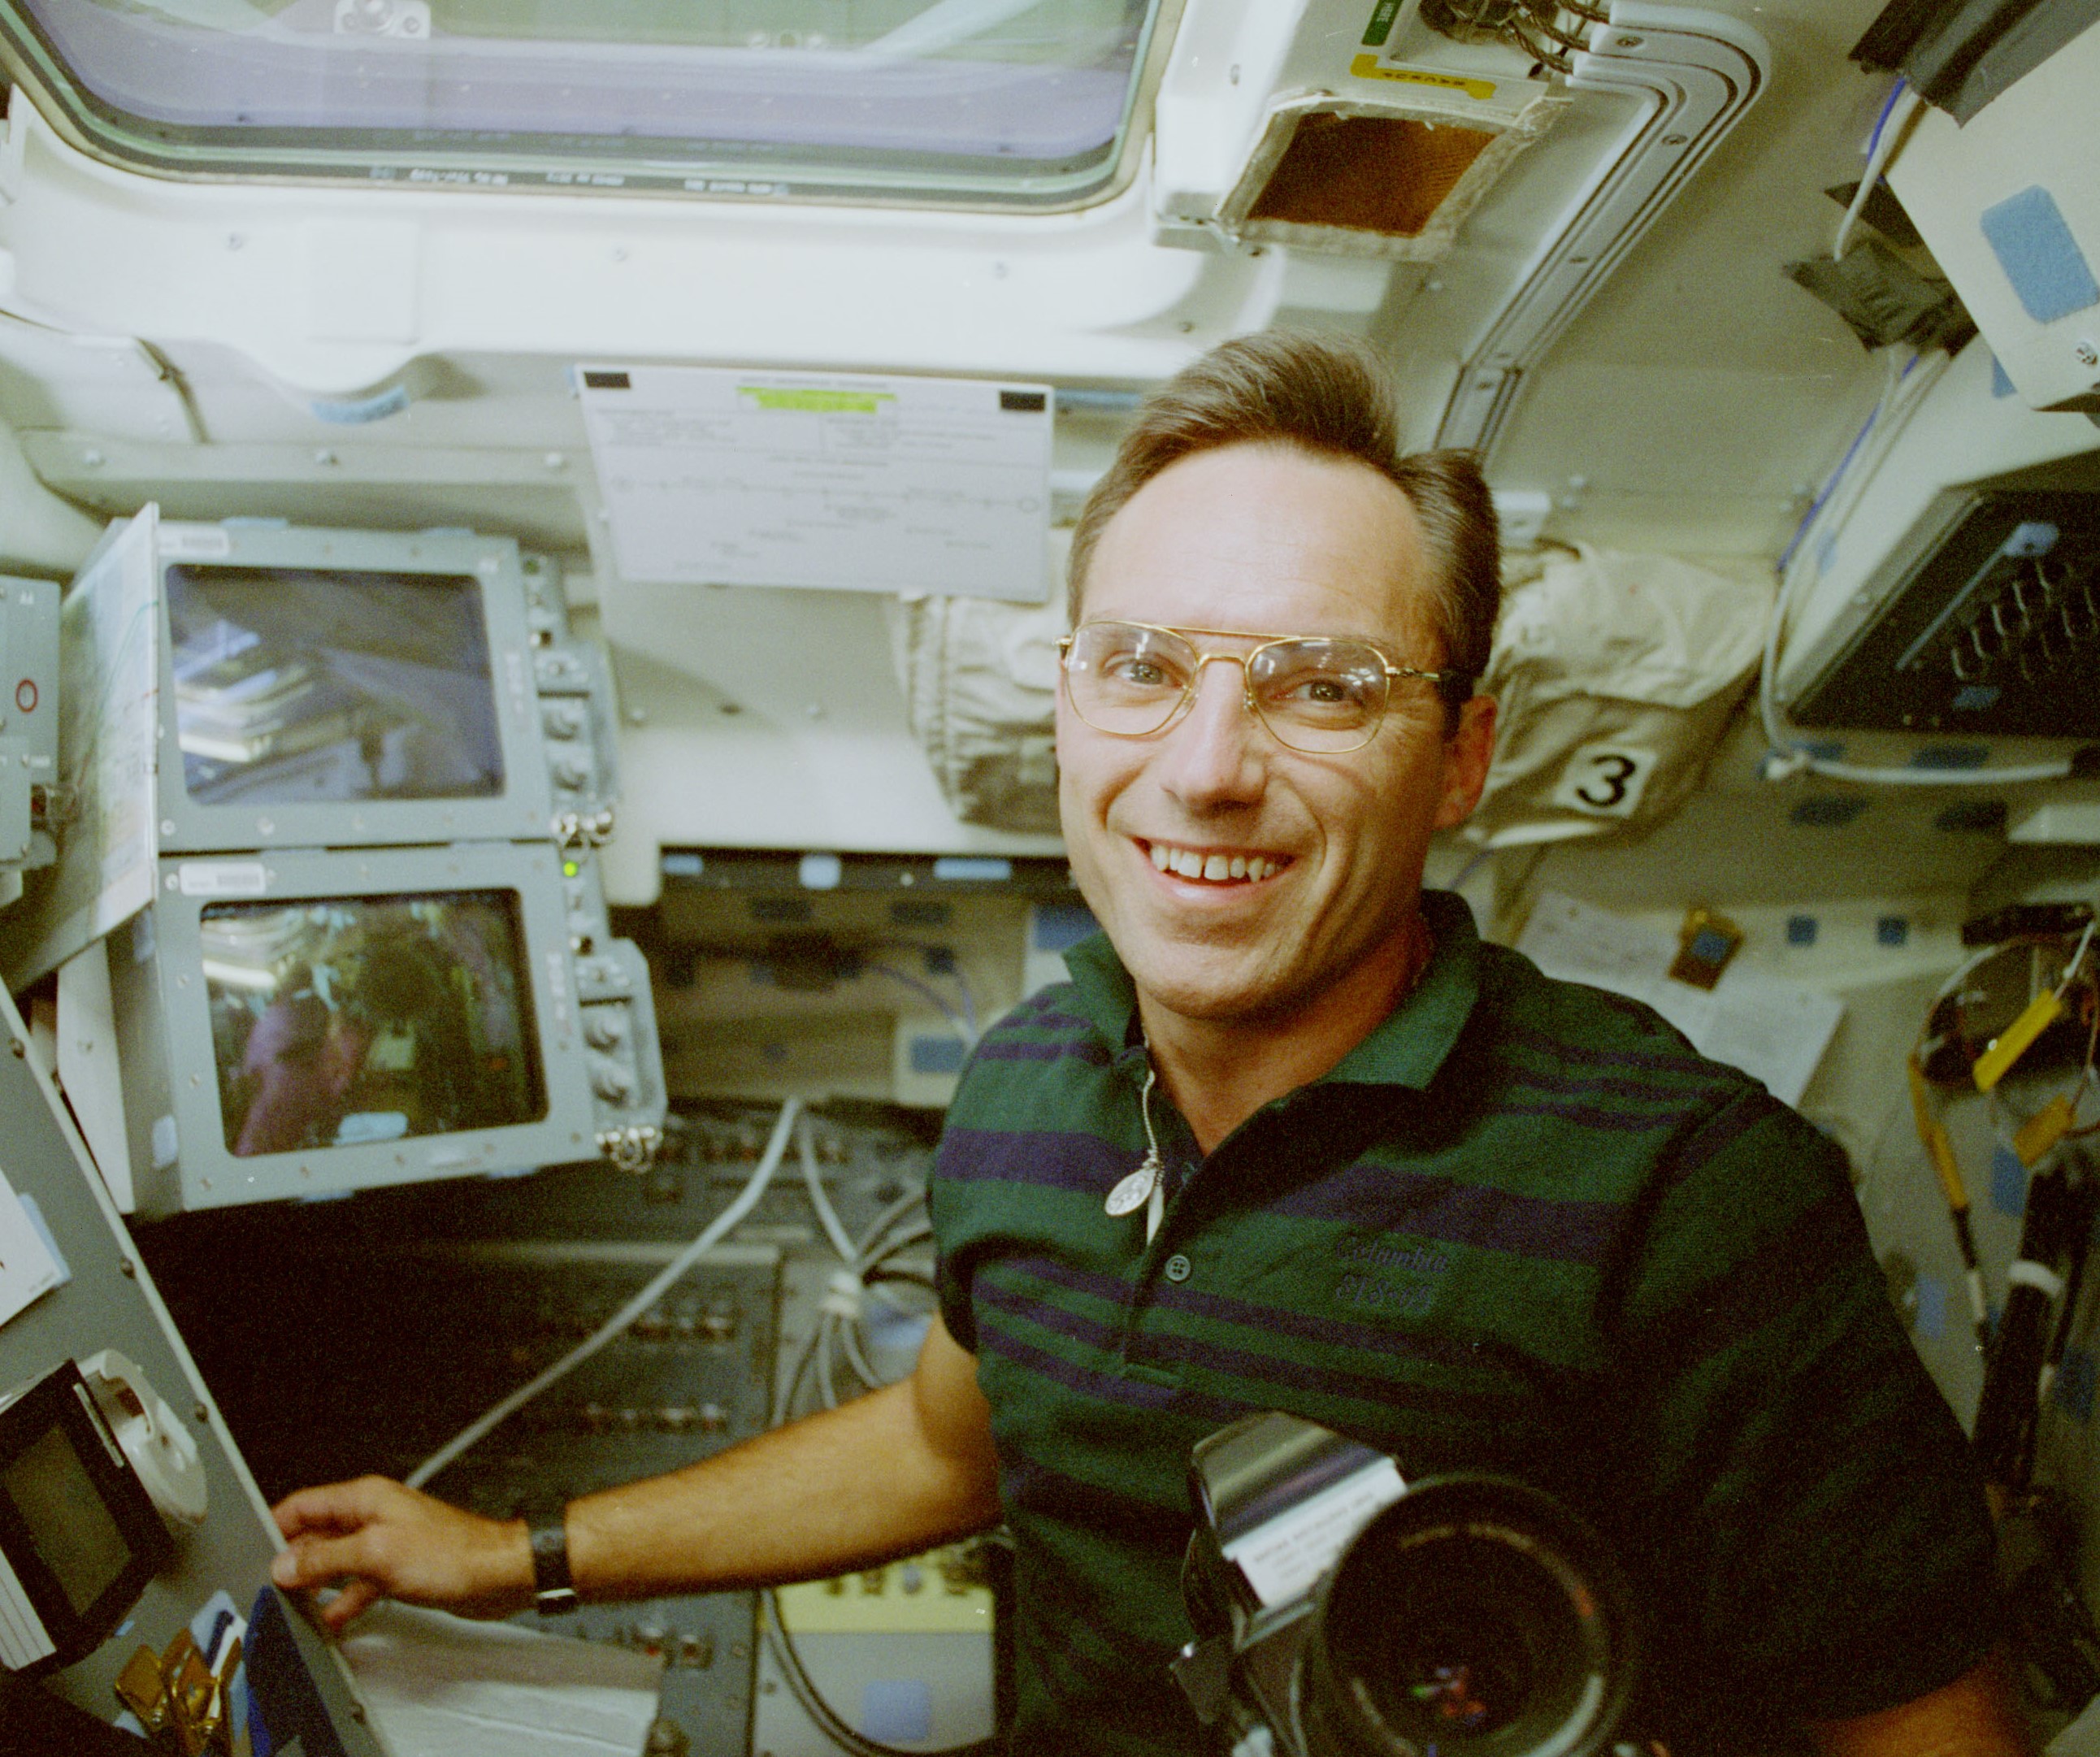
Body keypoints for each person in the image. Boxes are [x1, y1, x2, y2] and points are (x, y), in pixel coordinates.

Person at [271, 332, 2025, 1756]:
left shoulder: (1688, 1194)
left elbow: (1917, 1725)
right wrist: (518, 1555)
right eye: (1139, 666)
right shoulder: (1026, 1081)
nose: (1202, 766)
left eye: (1319, 684)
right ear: (1064, 704)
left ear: (1465, 757)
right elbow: (953, 1445)